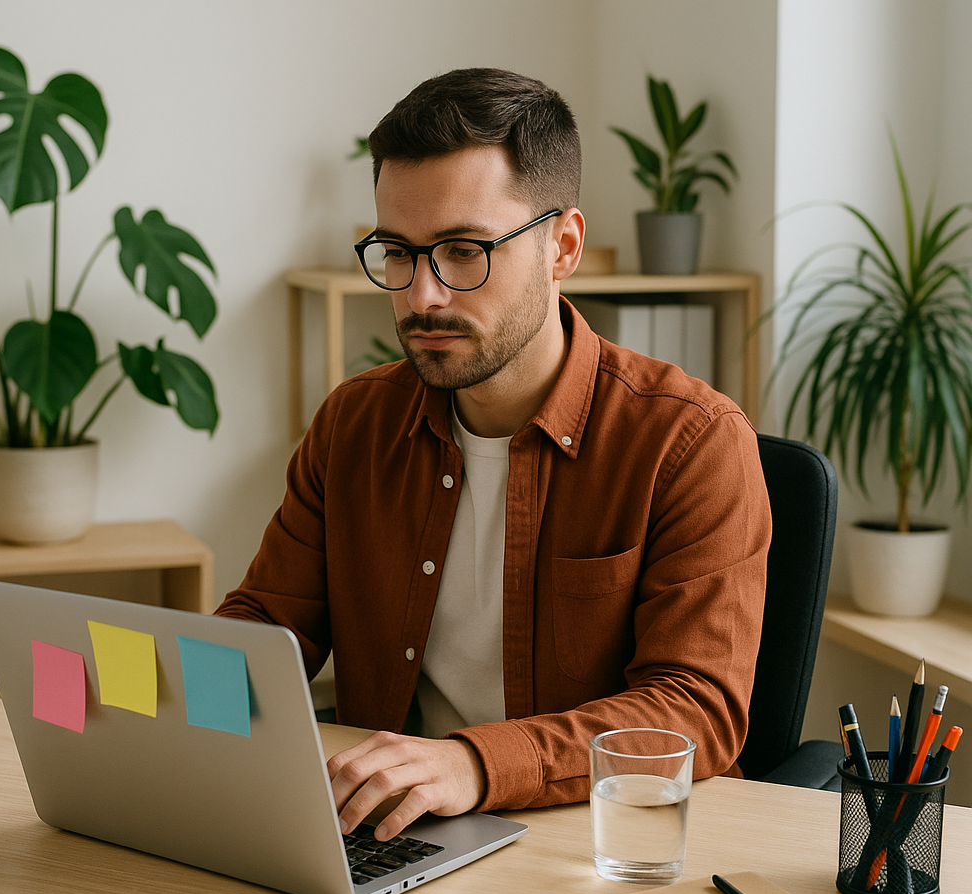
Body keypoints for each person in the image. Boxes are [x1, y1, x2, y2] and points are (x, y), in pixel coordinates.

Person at [217, 68, 771, 842]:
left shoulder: (692, 443)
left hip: (607, 848)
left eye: (463, 251)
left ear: (562, 247)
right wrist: (162, 707)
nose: (422, 297)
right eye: (399, 254)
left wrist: (475, 765)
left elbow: (694, 711)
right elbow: (268, 632)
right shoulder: (354, 425)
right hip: (392, 837)